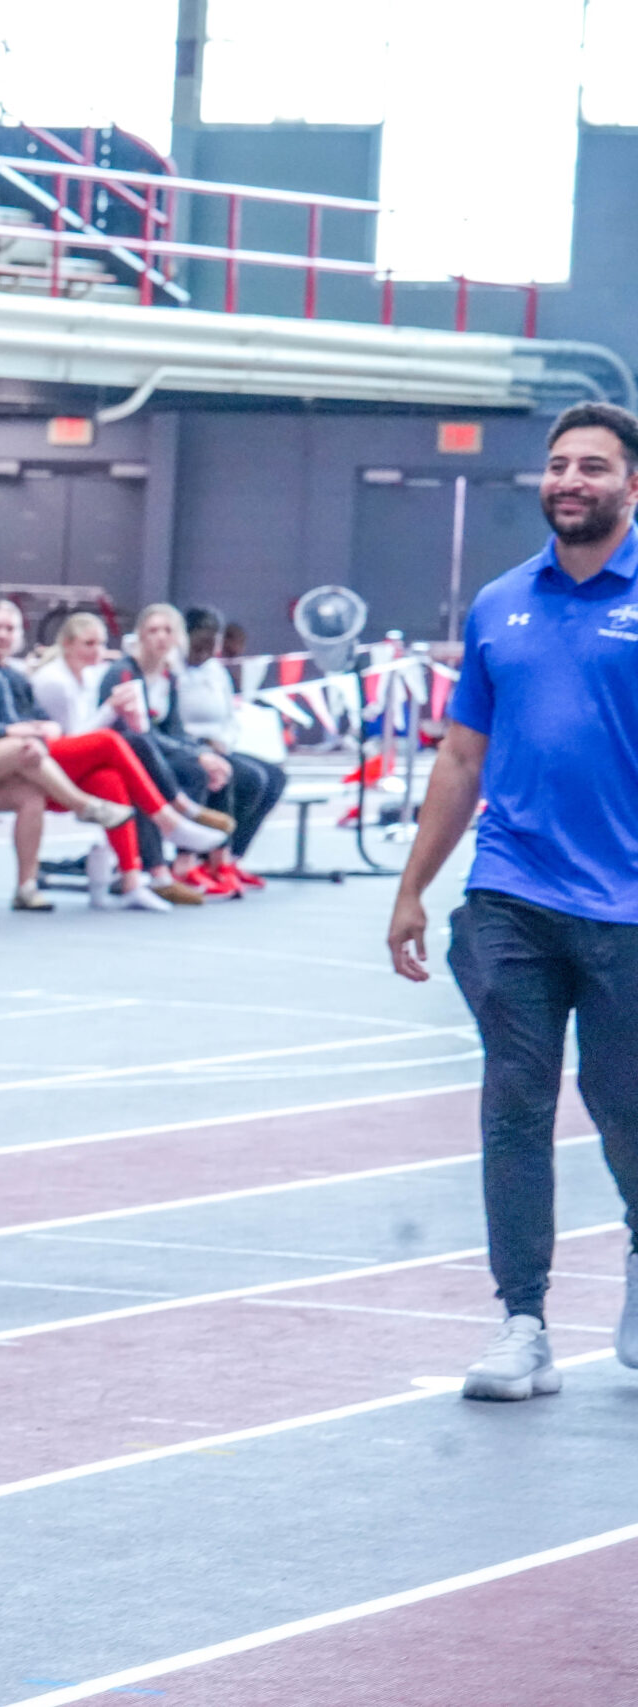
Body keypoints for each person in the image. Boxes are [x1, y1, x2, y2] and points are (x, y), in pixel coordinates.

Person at [388, 401, 638, 1404]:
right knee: (514, 1101)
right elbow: (460, 756)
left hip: (626, 908)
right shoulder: (499, 604)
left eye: (592, 465)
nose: (569, 479)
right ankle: (521, 1320)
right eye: (557, 464)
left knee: (621, 1107)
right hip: (510, 891)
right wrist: (413, 890)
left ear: (631, 486)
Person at [0, 592, 221, 914]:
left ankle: (50, 886)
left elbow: (19, 722)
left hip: (15, 763)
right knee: (107, 742)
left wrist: (30, 732)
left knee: (75, 784)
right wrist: (24, 733)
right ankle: (144, 813)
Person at [27, 610, 222, 906]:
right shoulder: (57, 681)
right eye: (88, 644)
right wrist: (111, 709)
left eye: (101, 644)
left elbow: (160, 729)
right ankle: (175, 814)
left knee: (114, 779)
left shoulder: (93, 674)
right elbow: (73, 736)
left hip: (70, 758)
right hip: (47, 763)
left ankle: (134, 878)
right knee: (121, 742)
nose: (97, 651)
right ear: (67, 644)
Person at [95, 604, 253, 900]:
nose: (160, 638)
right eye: (153, 631)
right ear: (140, 635)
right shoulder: (123, 673)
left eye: (168, 631)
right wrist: (197, 756)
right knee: (172, 769)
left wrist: (201, 754)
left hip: (154, 750)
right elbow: (136, 733)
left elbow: (175, 730)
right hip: (120, 754)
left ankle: (191, 858)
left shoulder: (170, 677)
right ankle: (169, 845)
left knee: (214, 769)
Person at [177, 604, 280, 889]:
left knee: (274, 777)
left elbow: (229, 717)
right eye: (199, 645)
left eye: (211, 647)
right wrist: (200, 744)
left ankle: (233, 856)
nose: (205, 653)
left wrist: (224, 741)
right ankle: (207, 857)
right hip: (187, 747)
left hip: (217, 746)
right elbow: (172, 720)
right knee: (243, 777)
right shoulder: (173, 671)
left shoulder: (216, 672)